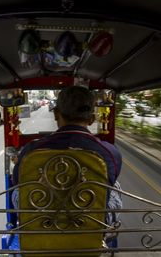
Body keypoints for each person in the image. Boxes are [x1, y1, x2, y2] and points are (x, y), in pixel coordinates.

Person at [11, 85, 123, 225]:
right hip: (91, 224)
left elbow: (16, 182)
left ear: (56, 114)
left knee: (16, 190)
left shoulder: (31, 150)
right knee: (115, 185)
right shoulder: (110, 153)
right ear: (91, 119)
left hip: (40, 222)